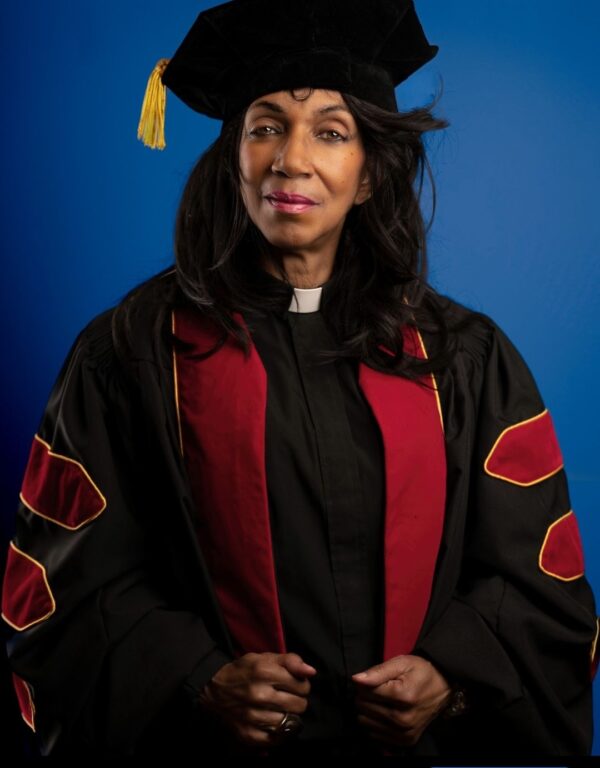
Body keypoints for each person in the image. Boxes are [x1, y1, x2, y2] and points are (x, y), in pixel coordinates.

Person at [1, 0, 597, 758]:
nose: (291, 159)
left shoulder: (462, 357)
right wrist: (198, 676)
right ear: (235, 158)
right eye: (265, 126)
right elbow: (59, 593)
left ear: (372, 172)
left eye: (331, 131)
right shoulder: (131, 355)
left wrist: (451, 674)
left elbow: (538, 586)